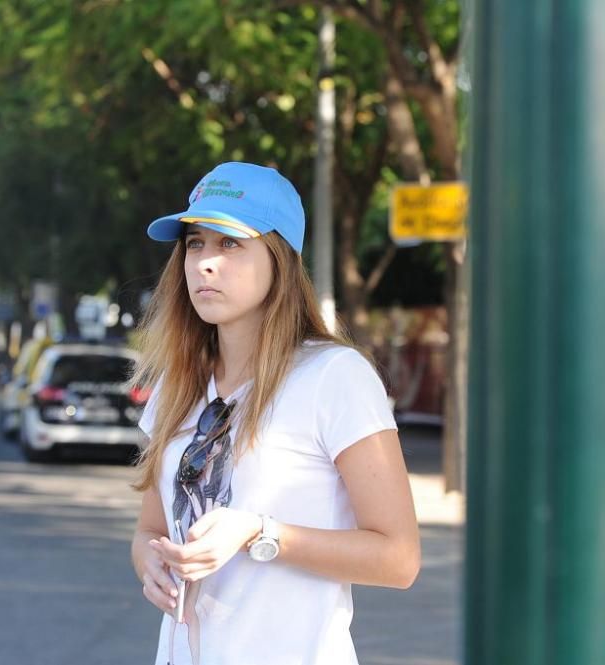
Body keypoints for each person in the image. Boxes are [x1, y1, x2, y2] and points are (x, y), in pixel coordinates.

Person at [129, 162, 420, 665]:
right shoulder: (180, 385)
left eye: (230, 243)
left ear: (280, 258)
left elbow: (399, 559)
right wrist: (148, 563)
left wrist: (259, 533)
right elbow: (150, 530)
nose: (204, 263)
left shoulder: (334, 376)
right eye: (195, 244)